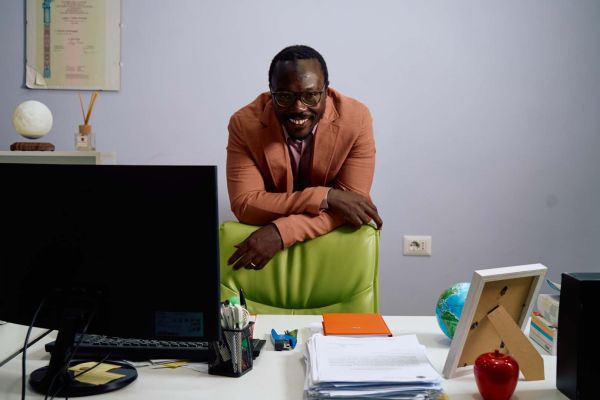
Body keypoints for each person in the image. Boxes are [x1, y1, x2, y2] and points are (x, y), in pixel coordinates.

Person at [226, 45, 382, 270]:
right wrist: (327, 197)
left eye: (311, 95)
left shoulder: (356, 119)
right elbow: (245, 205)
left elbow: (353, 207)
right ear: (271, 92)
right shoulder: (244, 125)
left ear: (326, 91)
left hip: (333, 252)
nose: (298, 108)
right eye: (284, 96)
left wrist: (282, 232)